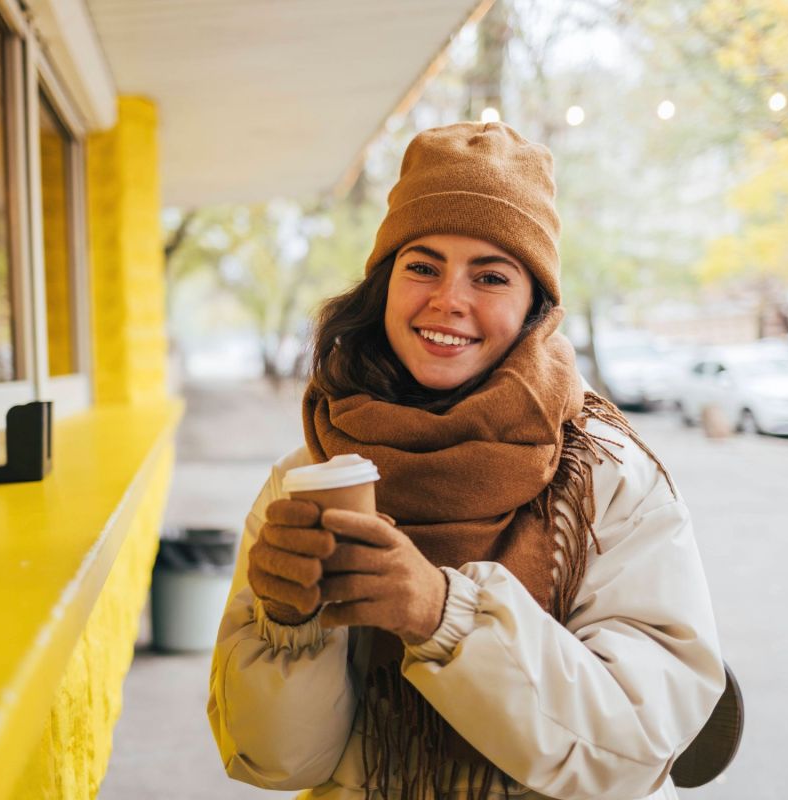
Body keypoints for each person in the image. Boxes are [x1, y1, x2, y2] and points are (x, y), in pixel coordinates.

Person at [207, 121, 725, 800]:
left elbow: (633, 751)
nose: (448, 300)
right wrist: (288, 626)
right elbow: (275, 761)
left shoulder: (609, 479)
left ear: (536, 306)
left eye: (491, 276)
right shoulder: (306, 477)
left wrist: (442, 615)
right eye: (421, 265)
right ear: (384, 283)